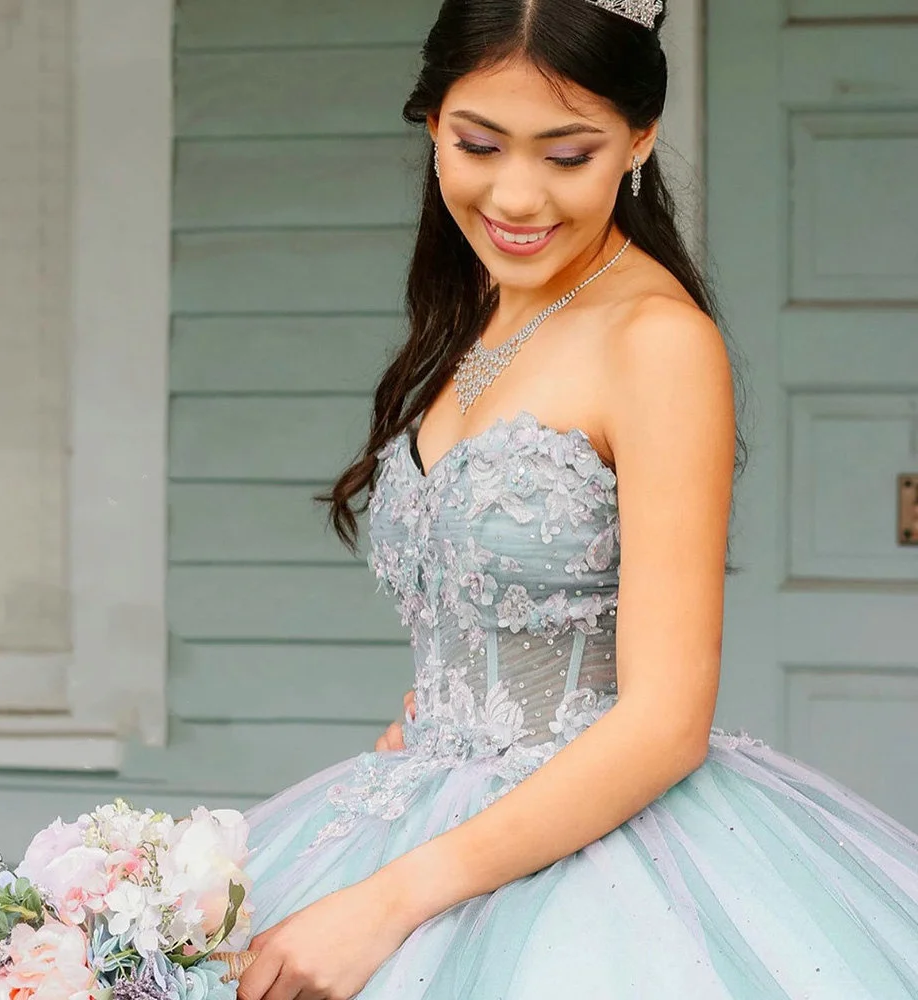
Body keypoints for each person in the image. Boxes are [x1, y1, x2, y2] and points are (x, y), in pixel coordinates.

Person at [227, 2, 918, 997]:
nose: (516, 195)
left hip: (593, 864)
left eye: (567, 155)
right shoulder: (478, 311)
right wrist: (441, 717)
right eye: (478, 144)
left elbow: (664, 721)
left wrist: (383, 900)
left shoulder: (656, 341)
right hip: (422, 798)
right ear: (433, 125)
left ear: (639, 138)